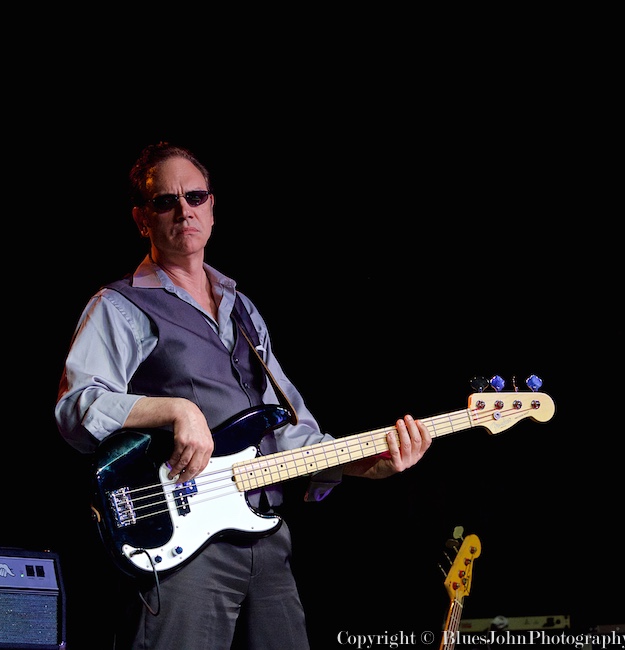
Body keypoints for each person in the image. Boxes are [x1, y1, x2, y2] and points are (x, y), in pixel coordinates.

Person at [54, 141, 433, 649]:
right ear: (143, 219)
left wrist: (364, 464)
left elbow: (291, 430)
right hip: (183, 541)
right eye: (165, 201)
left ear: (211, 207)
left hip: (266, 535)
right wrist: (175, 409)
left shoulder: (242, 309)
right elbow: (77, 408)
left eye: (195, 196)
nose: (183, 210)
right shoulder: (120, 306)